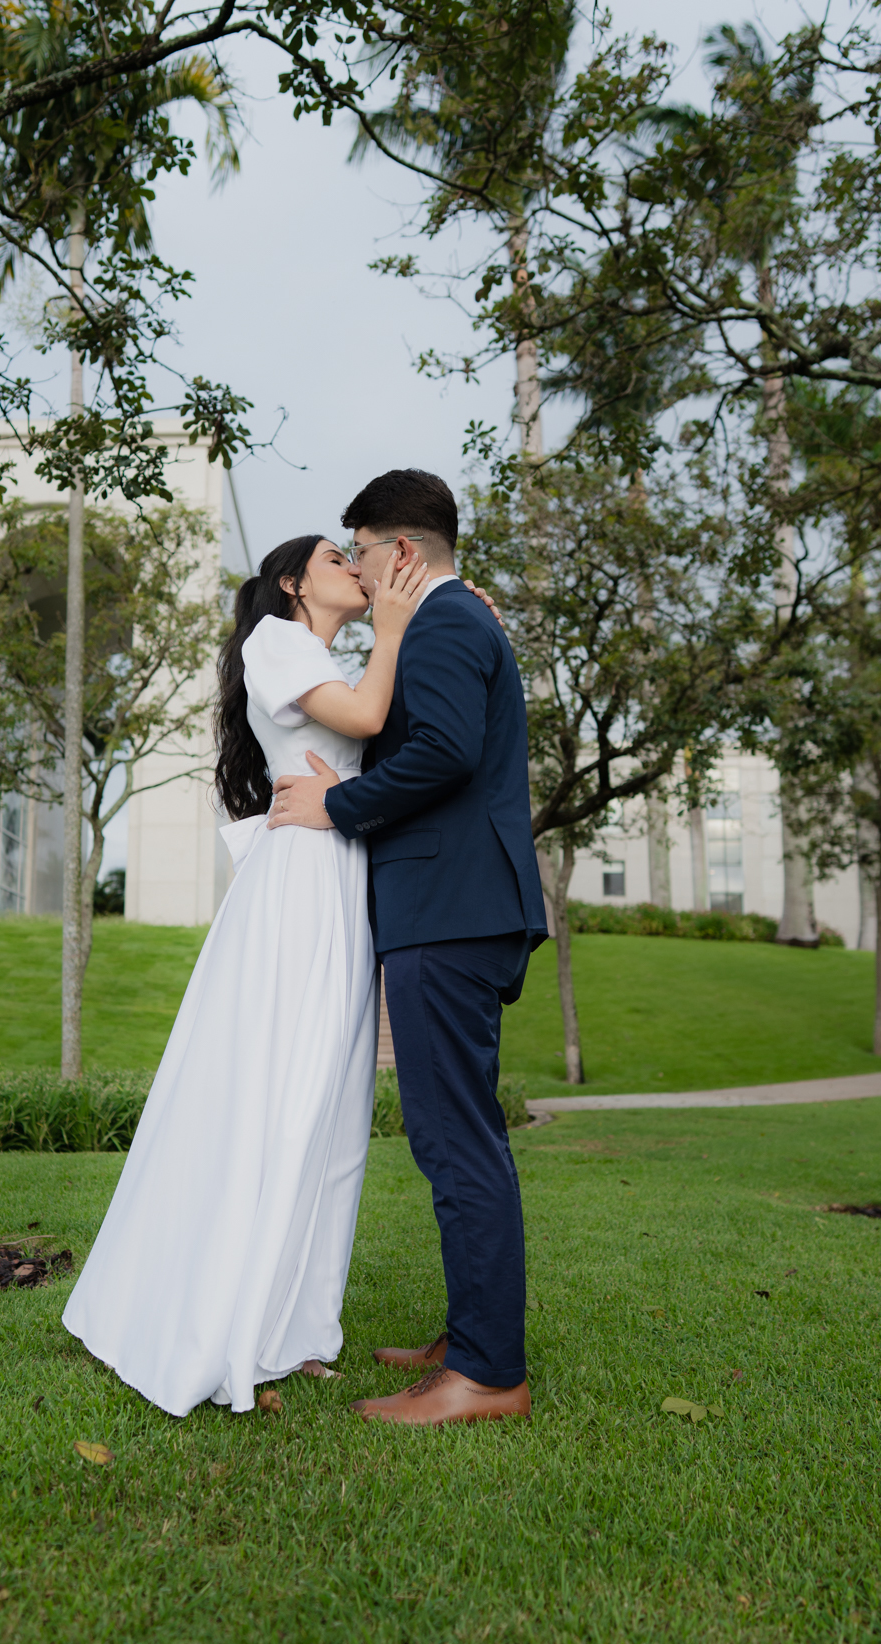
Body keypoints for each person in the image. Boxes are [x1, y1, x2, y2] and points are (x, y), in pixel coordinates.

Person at [61, 534, 429, 1416]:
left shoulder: (326, 653)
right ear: (294, 582)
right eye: (336, 556)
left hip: (338, 876)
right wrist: (395, 624)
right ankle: (232, 1327)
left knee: (331, 1117)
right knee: (281, 1095)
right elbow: (368, 722)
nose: (354, 563)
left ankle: (295, 1330)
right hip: (297, 888)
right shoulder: (277, 642)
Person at [267, 469, 548, 1426]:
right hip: (461, 904)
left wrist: (335, 806)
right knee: (462, 1132)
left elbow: (444, 751)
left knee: (453, 1137)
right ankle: (471, 1335)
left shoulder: (444, 622)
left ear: (400, 554)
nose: (354, 566)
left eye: (360, 550)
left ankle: (483, 1375)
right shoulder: (460, 618)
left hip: (451, 908)